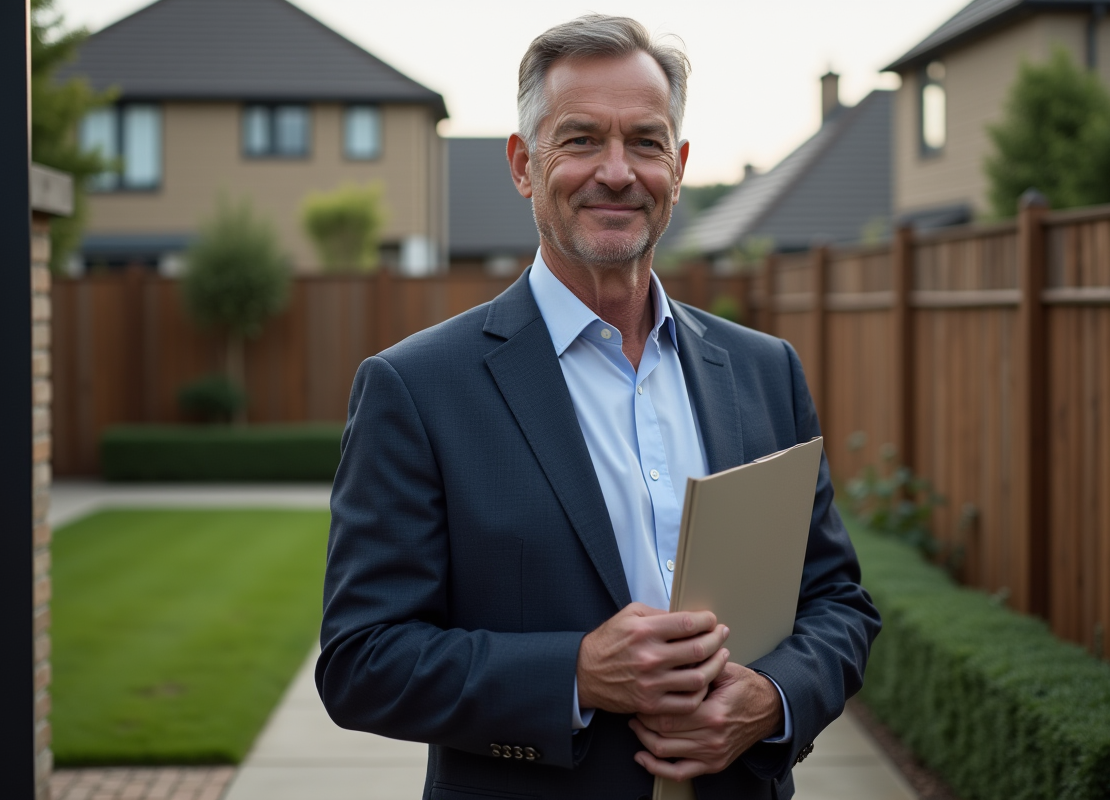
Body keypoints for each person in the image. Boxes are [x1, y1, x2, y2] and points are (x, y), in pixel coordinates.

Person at [317, 14, 880, 800]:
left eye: (646, 142)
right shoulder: (417, 390)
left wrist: (773, 700)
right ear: (523, 163)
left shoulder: (763, 372)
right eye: (580, 140)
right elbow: (361, 661)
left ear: (678, 168)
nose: (616, 172)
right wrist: (576, 673)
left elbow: (838, 603)